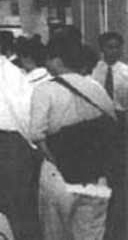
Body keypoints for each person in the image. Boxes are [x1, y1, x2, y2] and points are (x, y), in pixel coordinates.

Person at [29, 34, 118, 240]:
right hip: (96, 176)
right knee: (91, 234)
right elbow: (112, 124)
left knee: (56, 234)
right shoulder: (95, 87)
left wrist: (59, 162)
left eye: (48, 58)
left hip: (59, 175)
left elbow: (36, 134)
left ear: (57, 60)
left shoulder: (45, 89)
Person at [0, 28, 41, 240]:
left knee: (14, 200)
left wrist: (30, 142)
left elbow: (20, 109)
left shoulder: (9, 72)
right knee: (3, 199)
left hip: (12, 142)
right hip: (1, 142)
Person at [91, 32, 128, 111]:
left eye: (117, 47)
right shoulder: (94, 69)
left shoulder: (125, 71)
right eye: (110, 47)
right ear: (102, 49)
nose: (114, 51)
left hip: (120, 113)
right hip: (98, 111)